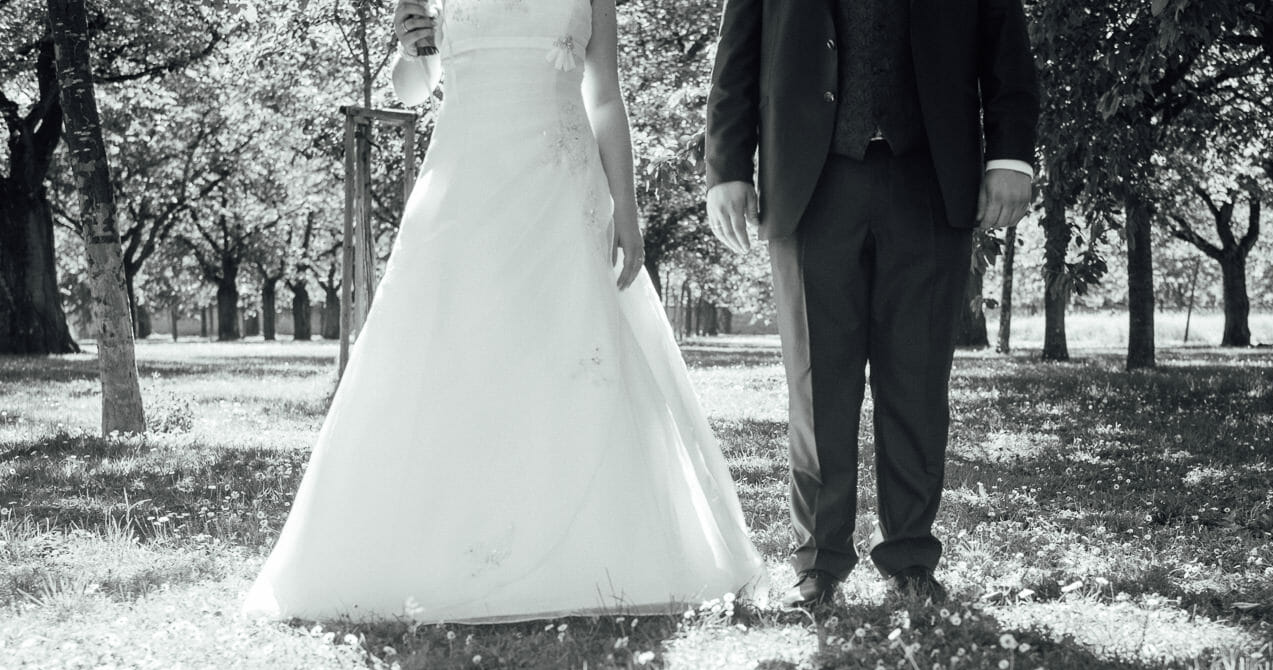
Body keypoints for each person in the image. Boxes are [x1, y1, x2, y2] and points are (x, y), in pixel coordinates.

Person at [244, 0, 766, 623]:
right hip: (466, 189)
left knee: (567, 354)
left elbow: (605, 98)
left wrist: (626, 208)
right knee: (455, 358)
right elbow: (412, 85)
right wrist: (409, 47)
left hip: (563, 192)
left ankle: (590, 549)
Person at [705, 0, 1040, 610]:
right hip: (809, 181)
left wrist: (1011, 155)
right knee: (817, 387)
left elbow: (1006, 49)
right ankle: (817, 562)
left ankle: (911, 556)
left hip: (932, 179)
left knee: (916, 382)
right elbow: (738, 54)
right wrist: (726, 165)